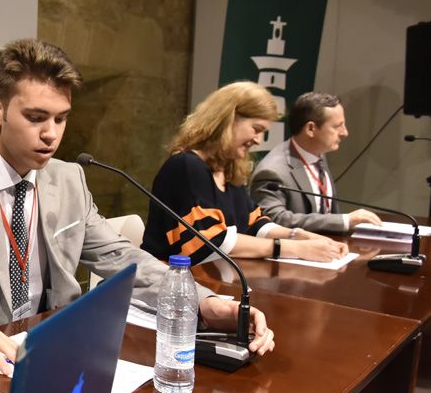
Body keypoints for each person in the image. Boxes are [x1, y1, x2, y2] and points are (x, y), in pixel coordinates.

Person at [0, 39, 275, 376]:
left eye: (61, 119)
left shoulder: (68, 179)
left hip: (51, 352)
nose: (51, 134)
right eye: (35, 118)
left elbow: (122, 258)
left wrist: (201, 301)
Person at [142, 81, 349, 266]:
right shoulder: (185, 166)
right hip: (170, 285)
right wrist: (293, 249)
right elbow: (210, 240)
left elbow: (254, 222)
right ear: (229, 120)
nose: (258, 140)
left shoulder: (228, 167)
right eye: (256, 129)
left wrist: (299, 236)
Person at [249, 92, 382, 232]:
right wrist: (344, 221)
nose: (345, 133)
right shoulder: (273, 171)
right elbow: (274, 220)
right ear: (311, 129)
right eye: (338, 126)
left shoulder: (317, 154)